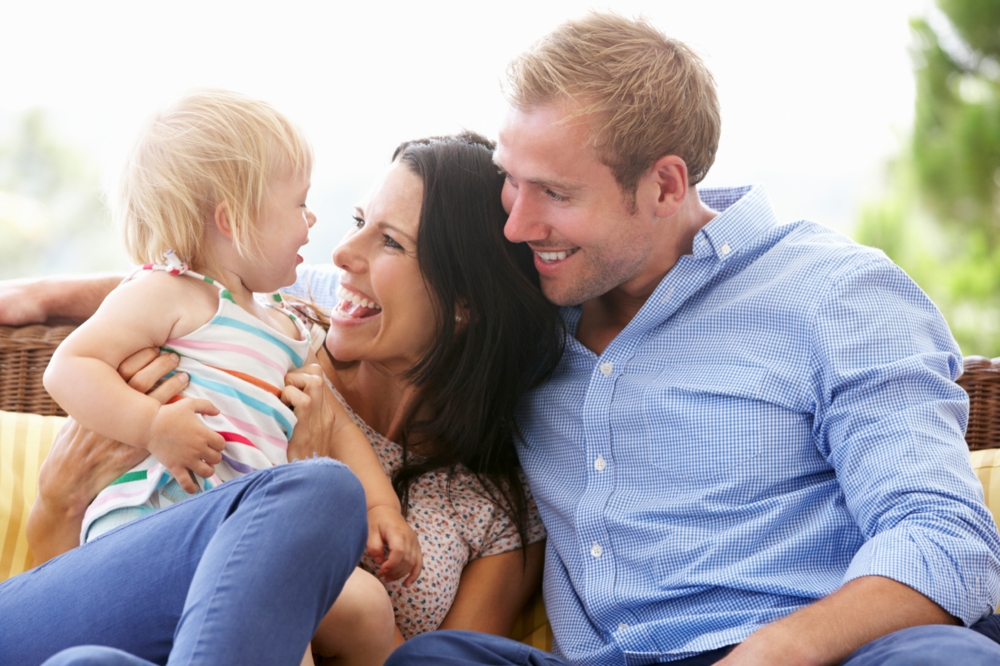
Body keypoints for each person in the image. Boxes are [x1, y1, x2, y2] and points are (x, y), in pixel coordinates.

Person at [381, 12, 1000, 666]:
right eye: (511, 179)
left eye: (555, 193)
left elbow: (944, 538)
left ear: (665, 185)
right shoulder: (518, 306)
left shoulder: (835, 295)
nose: (517, 224)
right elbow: (330, 291)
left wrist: (773, 652)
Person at [0, 131, 562, 663]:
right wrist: (56, 504)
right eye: (358, 221)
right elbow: (187, 283)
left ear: (466, 302)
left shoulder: (495, 509)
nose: (341, 251)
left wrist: (316, 507)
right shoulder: (255, 355)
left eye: (390, 240)